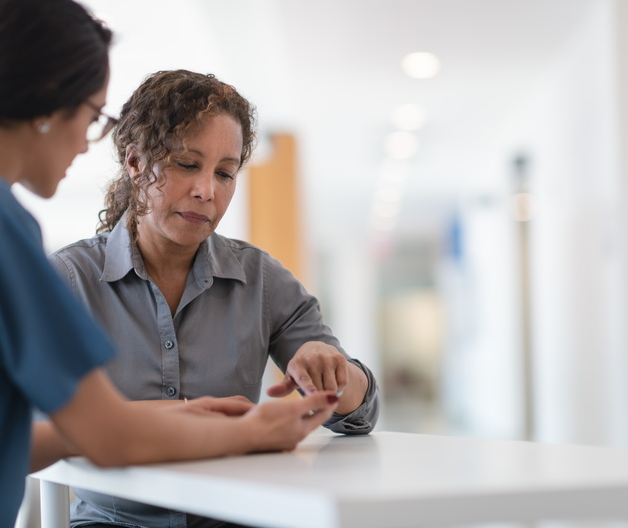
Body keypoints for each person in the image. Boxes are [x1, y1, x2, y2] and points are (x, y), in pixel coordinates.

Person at [0, 4, 341, 527]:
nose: (87, 142)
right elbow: (110, 439)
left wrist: (161, 417)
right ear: (46, 98)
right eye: (93, 116)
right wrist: (259, 430)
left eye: (224, 172)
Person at [48, 69, 381, 528]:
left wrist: (334, 373)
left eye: (225, 173)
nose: (208, 191)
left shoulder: (261, 279)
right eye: (187, 164)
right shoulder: (68, 281)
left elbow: (359, 416)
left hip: (234, 518)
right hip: (112, 521)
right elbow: (35, 426)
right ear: (135, 162)